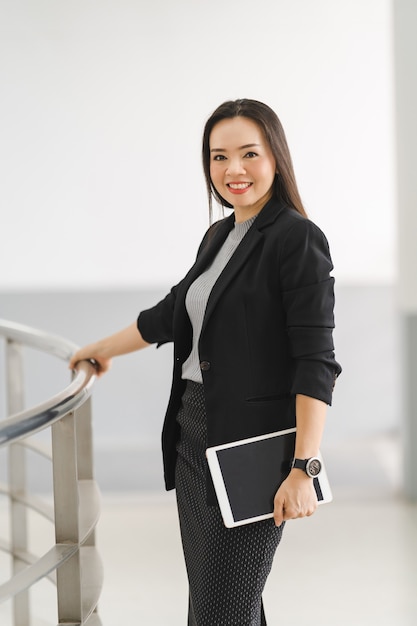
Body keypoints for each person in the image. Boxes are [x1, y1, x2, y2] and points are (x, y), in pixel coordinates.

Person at [69, 98, 341, 626]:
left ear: (276, 159)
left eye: (248, 154)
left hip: (253, 447)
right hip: (193, 435)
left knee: (222, 609)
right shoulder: (219, 236)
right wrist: (101, 349)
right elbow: (171, 315)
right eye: (218, 157)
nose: (232, 170)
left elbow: (316, 362)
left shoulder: (297, 239)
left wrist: (303, 467)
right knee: (219, 602)